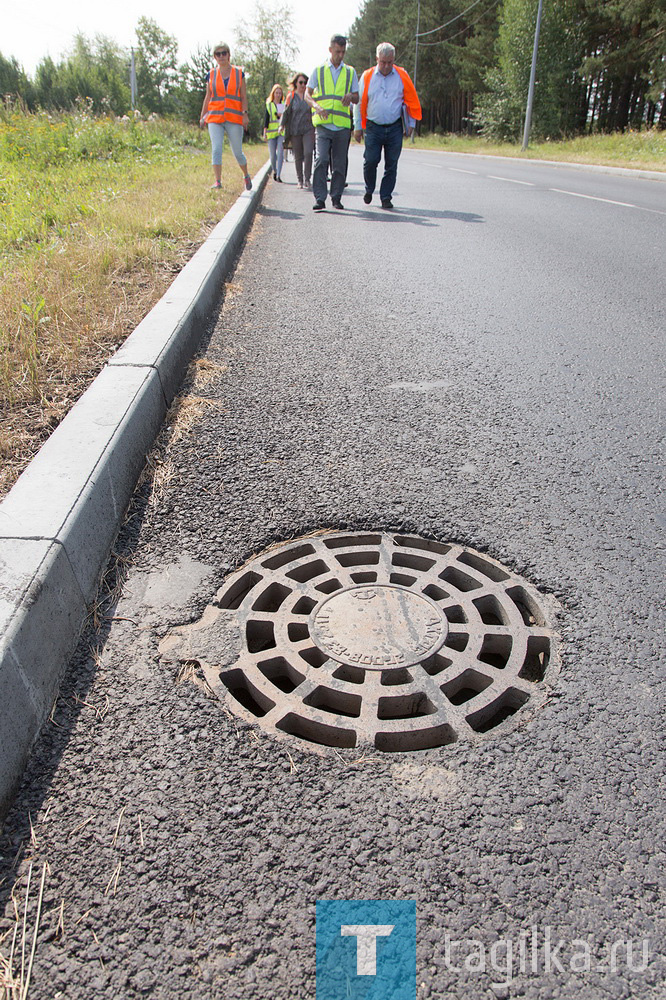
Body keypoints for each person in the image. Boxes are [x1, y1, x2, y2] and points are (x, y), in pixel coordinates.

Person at [353, 42, 421, 209]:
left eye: (390, 62)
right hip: (373, 126)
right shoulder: (367, 76)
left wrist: (411, 123)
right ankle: (369, 189)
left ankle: (386, 197)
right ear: (377, 59)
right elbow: (358, 102)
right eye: (383, 62)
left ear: (393, 60)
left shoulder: (401, 75)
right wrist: (357, 127)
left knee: (392, 163)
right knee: (370, 160)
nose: (386, 66)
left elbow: (410, 100)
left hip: (394, 127)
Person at [306, 34, 359, 211]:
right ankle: (320, 198)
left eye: (343, 52)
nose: (340, 55)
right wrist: (316, 106)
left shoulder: (350, 72)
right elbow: (307, 94)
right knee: (321, 159)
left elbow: (357, 97)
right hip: (323, 124)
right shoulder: (319, 71)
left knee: (339, 163)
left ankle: (336, 197)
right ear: (330, 50)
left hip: (342, 126)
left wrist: (351, 96)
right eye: (337, 51)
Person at [199, 43, 252, 191]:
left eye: (224, 53)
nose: (221, 56)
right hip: (215, 117)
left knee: (237, 152)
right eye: (218, 54)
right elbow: (208, 96)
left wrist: (245, 115)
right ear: (215, 57)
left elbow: (243, 97)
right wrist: (203, 115)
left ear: (229, 55)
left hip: (234, 118)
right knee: (216, 149)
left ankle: (246, 175)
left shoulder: (238, 73)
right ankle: (218, 181)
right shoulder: (211, 74)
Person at [283, 73, 316, 189]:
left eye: (305, 83)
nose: (303, 85)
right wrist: (281, 125)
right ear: (296, 83)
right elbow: (286, 113)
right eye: (300, 82)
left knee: (308, 153)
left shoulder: (310, 96)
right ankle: (300, 180)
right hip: (295, 130)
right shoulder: (291, 96)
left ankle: (307, 179)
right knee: (298, 156)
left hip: (308, 129)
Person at [264, 84, 285, 182]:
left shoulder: (282, 104)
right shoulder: (269, 105)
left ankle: (279, 175)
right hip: (271, 133)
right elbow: (266, 120)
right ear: (273, 93)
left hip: (280, 132)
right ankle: (275, 170)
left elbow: (282, 119)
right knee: (273, 155)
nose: (278, 95)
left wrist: (280, 115)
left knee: (280, 152)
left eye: (280, 93)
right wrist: (264, 132)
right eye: (276, 93)